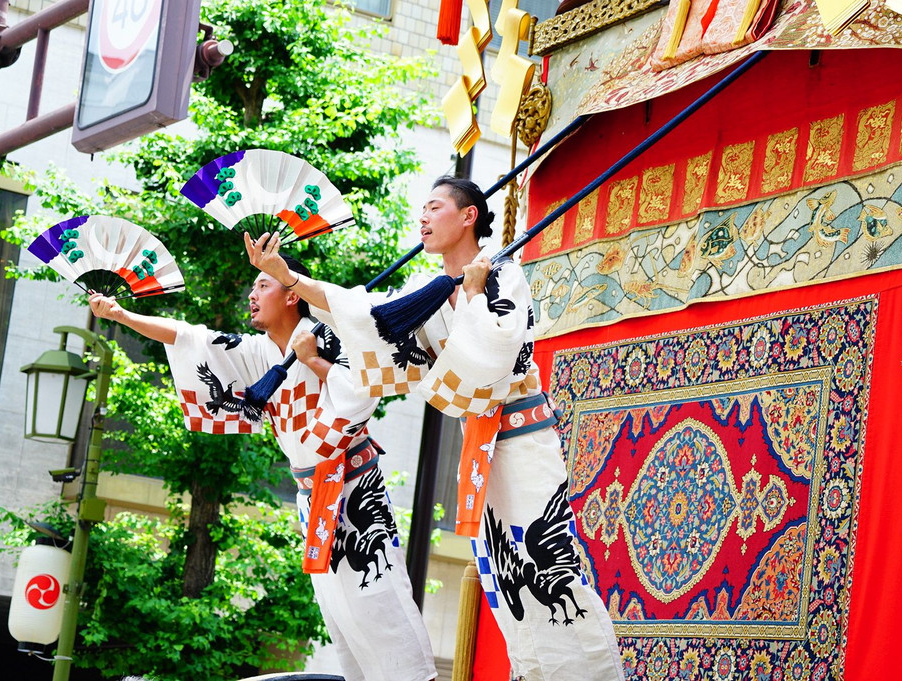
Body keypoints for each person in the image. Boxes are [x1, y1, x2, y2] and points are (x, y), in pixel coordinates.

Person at [245, 177, 625, 681]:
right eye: (421, 209)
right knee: (510, 581)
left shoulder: (501, 275)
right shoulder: (428, 294)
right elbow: (364, 314)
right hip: (479, 446)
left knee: (552, 569)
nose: (422, 217)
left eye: (434, 207)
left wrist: (470, 296)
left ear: (468, 216)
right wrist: (287, 276)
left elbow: (493, 349)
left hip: (522, 439)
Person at [87, 253, 436, 681]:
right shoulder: (256, 352)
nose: (252, 295)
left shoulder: (328, 333)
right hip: (312, 495)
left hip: (351, 482)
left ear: (292, 295)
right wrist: (121, 314)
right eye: (253, 287)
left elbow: (364, 384)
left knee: (376, 599)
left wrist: (311, 360)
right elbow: (187, 337)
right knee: (342, 617)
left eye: (263, 286)